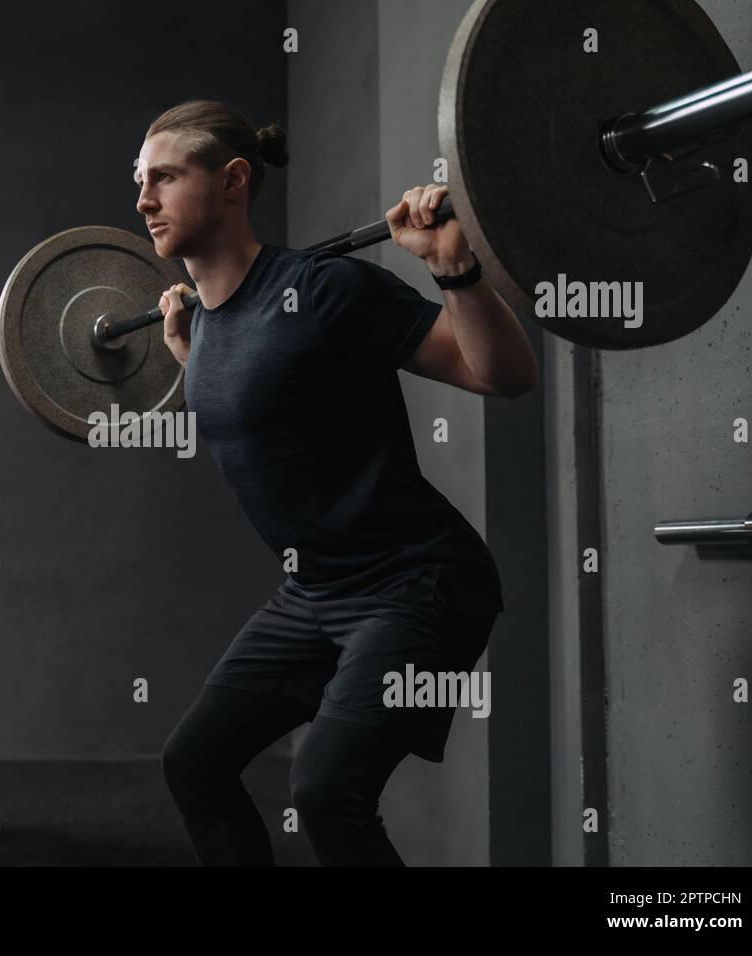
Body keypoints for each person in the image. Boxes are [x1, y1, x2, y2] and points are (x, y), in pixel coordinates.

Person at [142, 101, 537, 865]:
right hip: (315, 594)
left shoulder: (325, 290)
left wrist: (453, 266)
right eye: (140, 182)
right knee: (194, 764)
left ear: (231, 181)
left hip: (416, 580)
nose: (142, 199)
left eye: (163, 177)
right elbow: (265, 414)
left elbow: (504, 376)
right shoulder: (209, 327)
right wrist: (192, 355)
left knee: (325, 791)